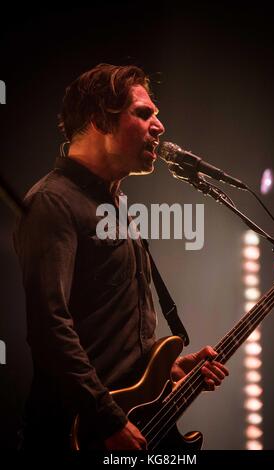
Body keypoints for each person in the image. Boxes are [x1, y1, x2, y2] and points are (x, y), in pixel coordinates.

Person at [14, 63, 229, 451]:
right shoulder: (53, 203)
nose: (159, 126)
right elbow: (49, 327)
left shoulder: (119, 205)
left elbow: (108, 327)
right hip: (75, 434)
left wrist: (164, 369)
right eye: (144, 113)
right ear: (99, 119)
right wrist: (107, 417)